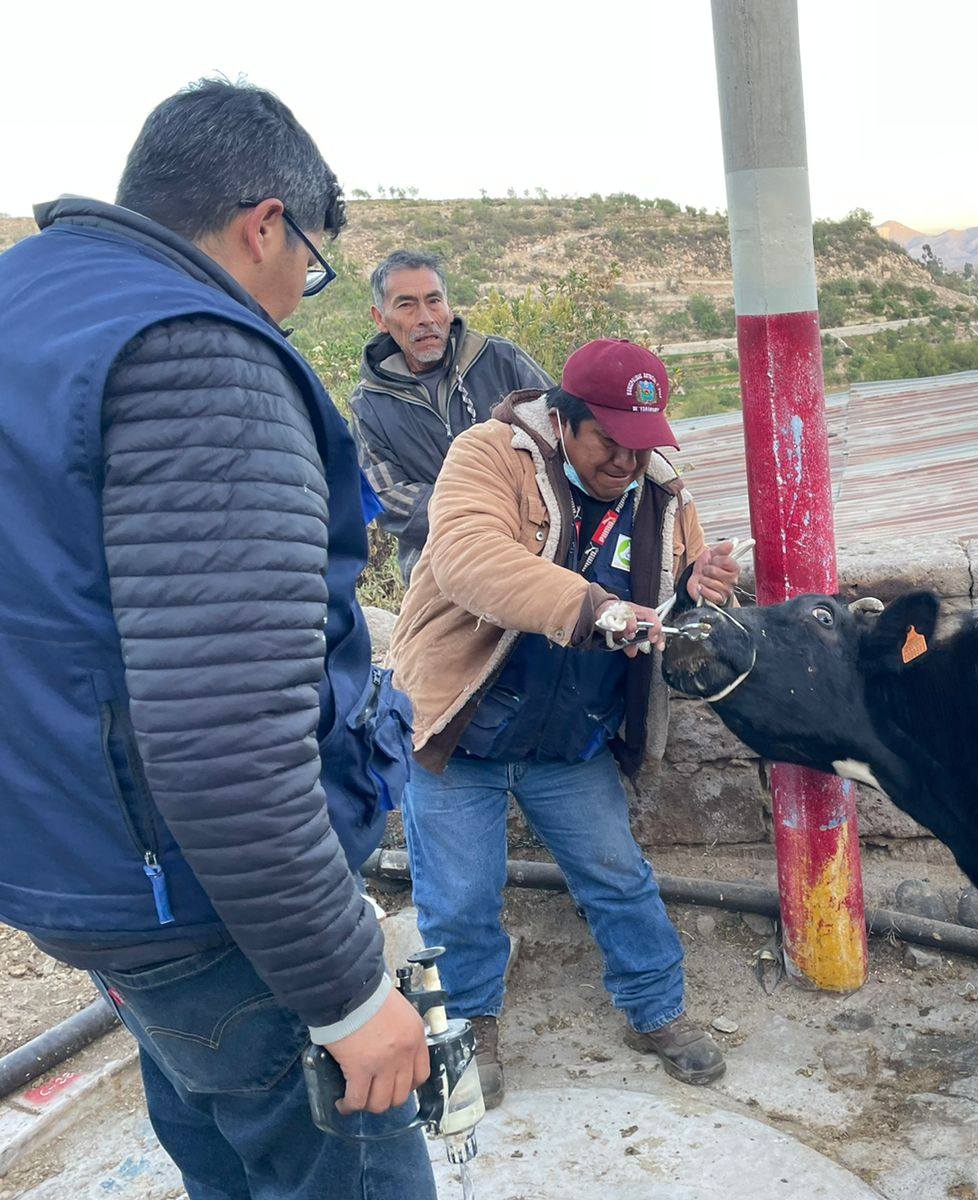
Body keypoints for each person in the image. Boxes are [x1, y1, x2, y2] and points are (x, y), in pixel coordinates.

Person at [0, 81, 437, 1199]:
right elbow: (225, 742)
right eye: (311, 264)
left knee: (217, 1143)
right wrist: (350, 994)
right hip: (207, 909)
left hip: (75, 868)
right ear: (265, 223)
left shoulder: (24, 306)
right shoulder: (198, 358)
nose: (298, 295)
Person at [388, 338, 740, 1105]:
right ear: (564, 419)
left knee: (618, 876)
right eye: (607, 442)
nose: (626, 461)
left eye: (641, 445)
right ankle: (469, 1026)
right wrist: (595, 608)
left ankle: (656, 1010)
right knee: (460, 897)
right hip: (463, 726)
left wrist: (699, 578)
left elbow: (678, 581)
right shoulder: (488, 454)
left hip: (568, 735)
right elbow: (467, 556)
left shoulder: (660, 485)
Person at [351, 250, 553, 580]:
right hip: (438, 552)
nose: (426, 317)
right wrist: (479, 513)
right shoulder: (369, 404)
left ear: (449, 306)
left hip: (534, 531)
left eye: (434, 301)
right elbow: (386, 495)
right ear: (380, 318)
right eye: (406, 305)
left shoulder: (500, 359)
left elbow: (558, 432)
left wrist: (526, 511)